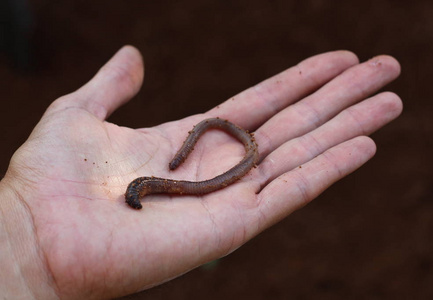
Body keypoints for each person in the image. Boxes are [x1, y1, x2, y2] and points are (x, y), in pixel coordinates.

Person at [0, 46, 402, 299]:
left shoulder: (183, 167)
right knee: (172, 179)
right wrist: (23, 242)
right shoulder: (145, 187)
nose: (137, 195)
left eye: (136, 193)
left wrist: (26, 252)